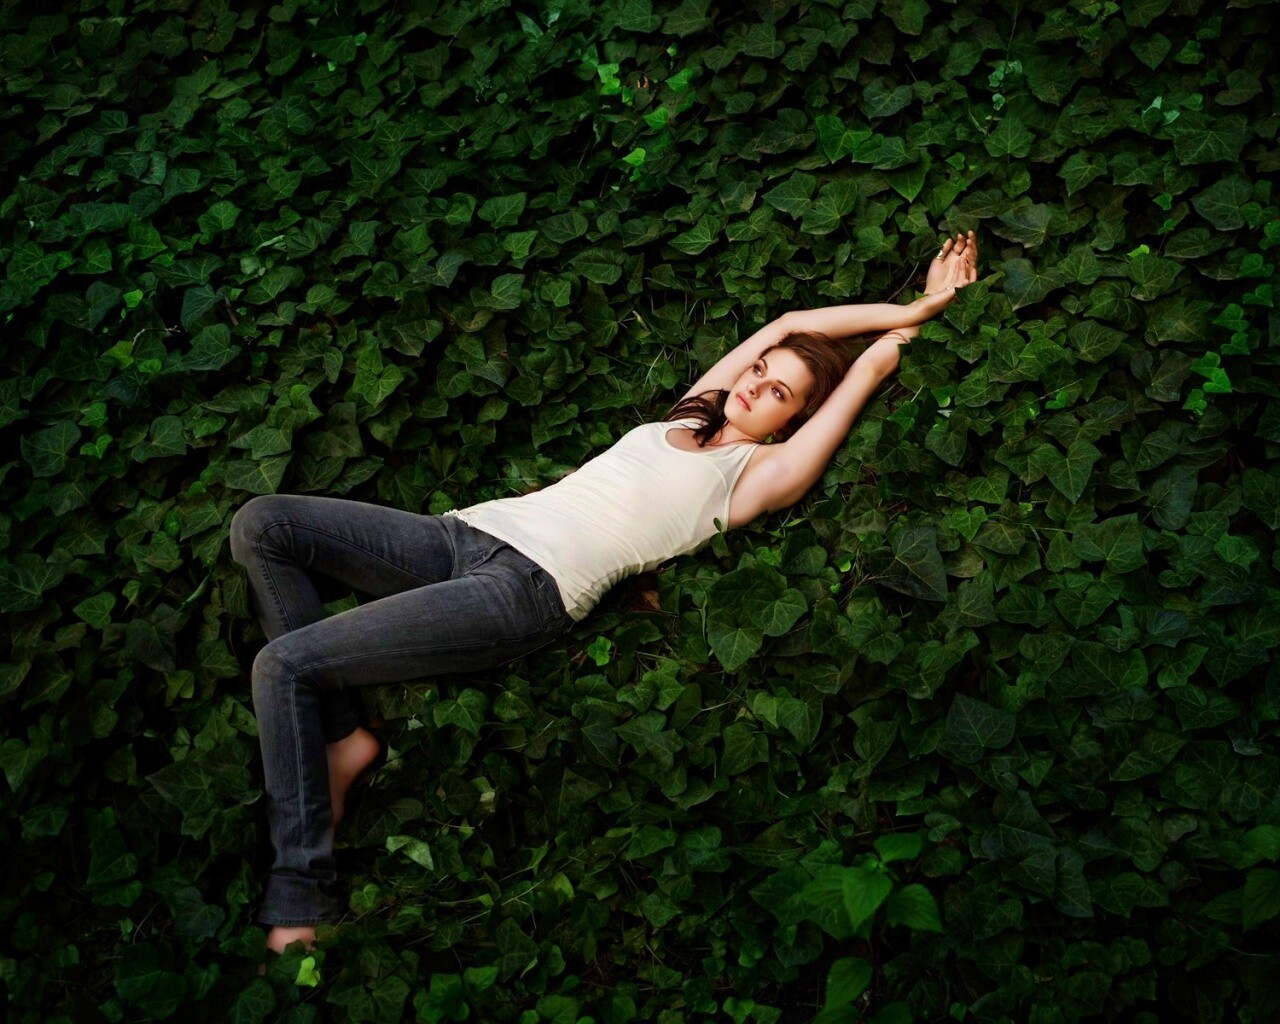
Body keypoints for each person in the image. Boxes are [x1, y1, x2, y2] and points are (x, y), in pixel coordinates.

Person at [229, 231, 980, 955]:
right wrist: (893, 306)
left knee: (282, 666)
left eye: (777, 391)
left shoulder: (758, 475)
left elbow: (871, 367)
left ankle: (300, 890)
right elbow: (787, 323)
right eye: (758, 371)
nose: (753, 385)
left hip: (526, 590)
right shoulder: (692, 411)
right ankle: (342, 736)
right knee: (263, 524)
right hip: (463, 535)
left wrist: (923, 314)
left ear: (795, 421)